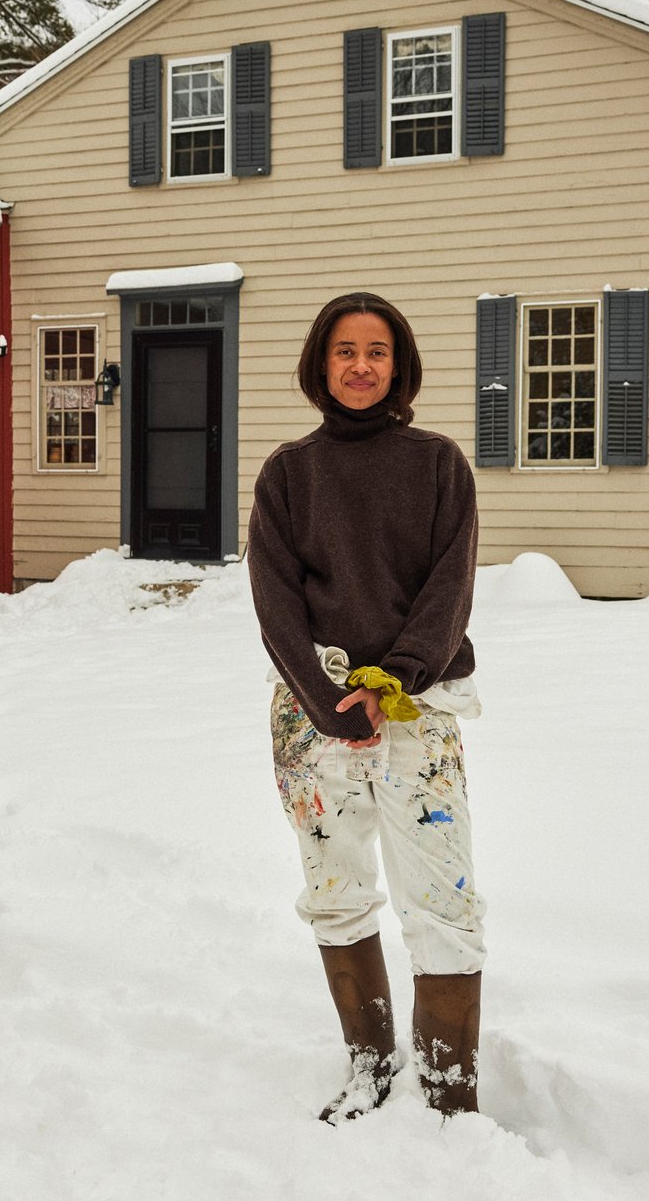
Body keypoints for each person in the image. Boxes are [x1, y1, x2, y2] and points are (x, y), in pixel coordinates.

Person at [247, 292, 486, 1122]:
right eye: (344, 351)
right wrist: (325, 702)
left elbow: (450, 585)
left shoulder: (438, 465)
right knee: (337, 891)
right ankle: (370, 1064)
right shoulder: (289, 473)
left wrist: (400, 679)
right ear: (320, 363)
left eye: (376, 351)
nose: (359, 366)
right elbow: (275, 603)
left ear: (400, 364)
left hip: (418, 717)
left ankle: (453, 1091)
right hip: (316, 723)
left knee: (443, 897)